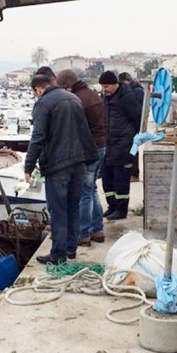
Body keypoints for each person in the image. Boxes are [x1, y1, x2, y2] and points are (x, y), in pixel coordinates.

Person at [25, 74, 98, 264]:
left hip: (58, 165)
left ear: (37, 90)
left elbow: (38, 137)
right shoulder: (73, 98)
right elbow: (84, 131)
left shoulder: (44, 103)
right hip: (79, 162)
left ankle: (58, 253)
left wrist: (29, 165)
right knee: (73, 207)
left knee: (57, 210)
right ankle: (71, 249)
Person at [56, 69, 107, 245]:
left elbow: (75, 129)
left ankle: (83, 233)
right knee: (92, 189)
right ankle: (98, 229)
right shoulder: (93, 95)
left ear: (67, 86)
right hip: (101, 146)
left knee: (85, 192)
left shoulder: (77, 100)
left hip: (88, 149)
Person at [99, 70, 142, 220]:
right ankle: (112, 206)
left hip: (123, 145)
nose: (105, 89)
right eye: (103, 87)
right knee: (107, 178)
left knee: (121, 180)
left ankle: (121, 210)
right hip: (110, 144)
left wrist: (130, 138)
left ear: (115, 84)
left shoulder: (127, 98)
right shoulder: (106, 98)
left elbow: (137, 118)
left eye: (107, 86)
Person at [118, 72, 145, 179]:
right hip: (131, 124)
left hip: (133, 124)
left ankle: (134, 173)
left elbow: (134, 110)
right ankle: (133, 172)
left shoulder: (136, 92)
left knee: (133, 149)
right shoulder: (136, 90)